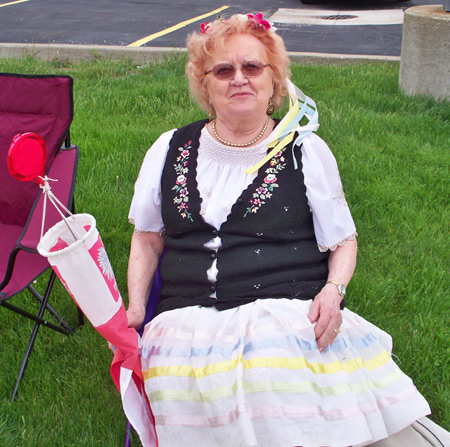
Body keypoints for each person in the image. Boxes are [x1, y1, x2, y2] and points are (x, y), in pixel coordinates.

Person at [126, 13, 434, 447]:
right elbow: (148, 237)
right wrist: (136, 312)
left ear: (274, 81)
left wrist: (332, 292)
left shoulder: (304, 150)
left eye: (252, 67)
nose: (239, 79)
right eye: (223, 70)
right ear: (205, 84)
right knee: (197, 386)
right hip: (186, 324)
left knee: (273, 375)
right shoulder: (169, 148)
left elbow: (342, 240)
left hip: (281, 310)